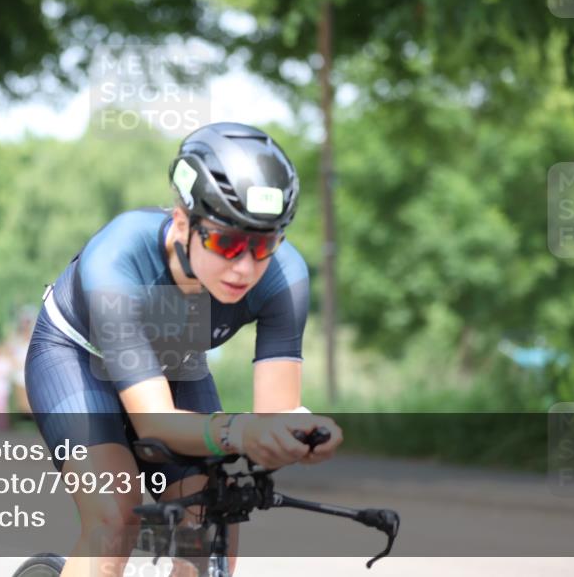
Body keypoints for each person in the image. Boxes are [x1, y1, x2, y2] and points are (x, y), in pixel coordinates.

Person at [25, 122, 343, 577]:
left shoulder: (284, 278)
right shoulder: (117, 259)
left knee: (210, 528)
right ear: (181, 222)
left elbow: (273, 418)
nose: (244, 267)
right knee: (116, 517)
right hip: (75, 359)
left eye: (263, 244)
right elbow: (155, 422)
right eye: (226, 241)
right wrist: (242, 431)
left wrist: (299, 436)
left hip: (175, 365)